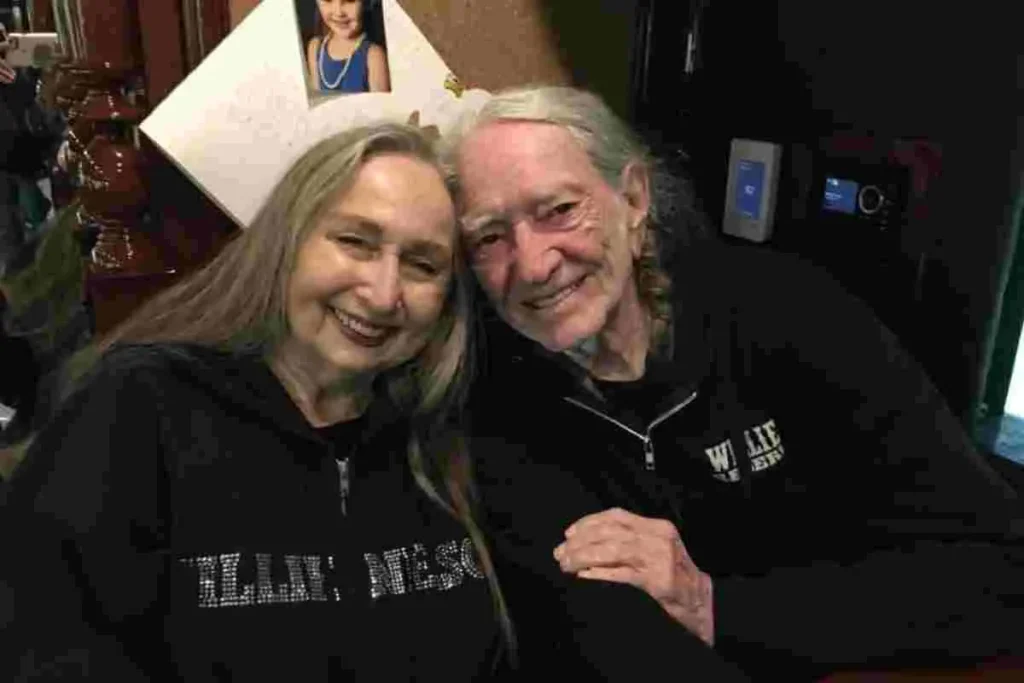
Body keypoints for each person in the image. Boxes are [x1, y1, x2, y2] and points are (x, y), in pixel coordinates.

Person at [449, 86, 1024, 680]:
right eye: (490, 238)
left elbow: (999, 567)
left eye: (559, 210)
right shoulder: (501, 410)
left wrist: (717, 605)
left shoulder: (790, 315)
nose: (534, 263)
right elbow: (608, 636)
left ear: (634, 198)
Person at [0, 123, 513, 680]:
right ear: (287, 241)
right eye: (355, 242)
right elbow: (46, 644)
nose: (383, 293)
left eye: (423, 264)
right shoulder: (143, 405)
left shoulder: (448, 432)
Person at [306, 0, 389, 95]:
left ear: (365, 3)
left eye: (350, 0)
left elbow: (381, 108)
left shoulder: (374, 56)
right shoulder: (315, 48)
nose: (338, 12)